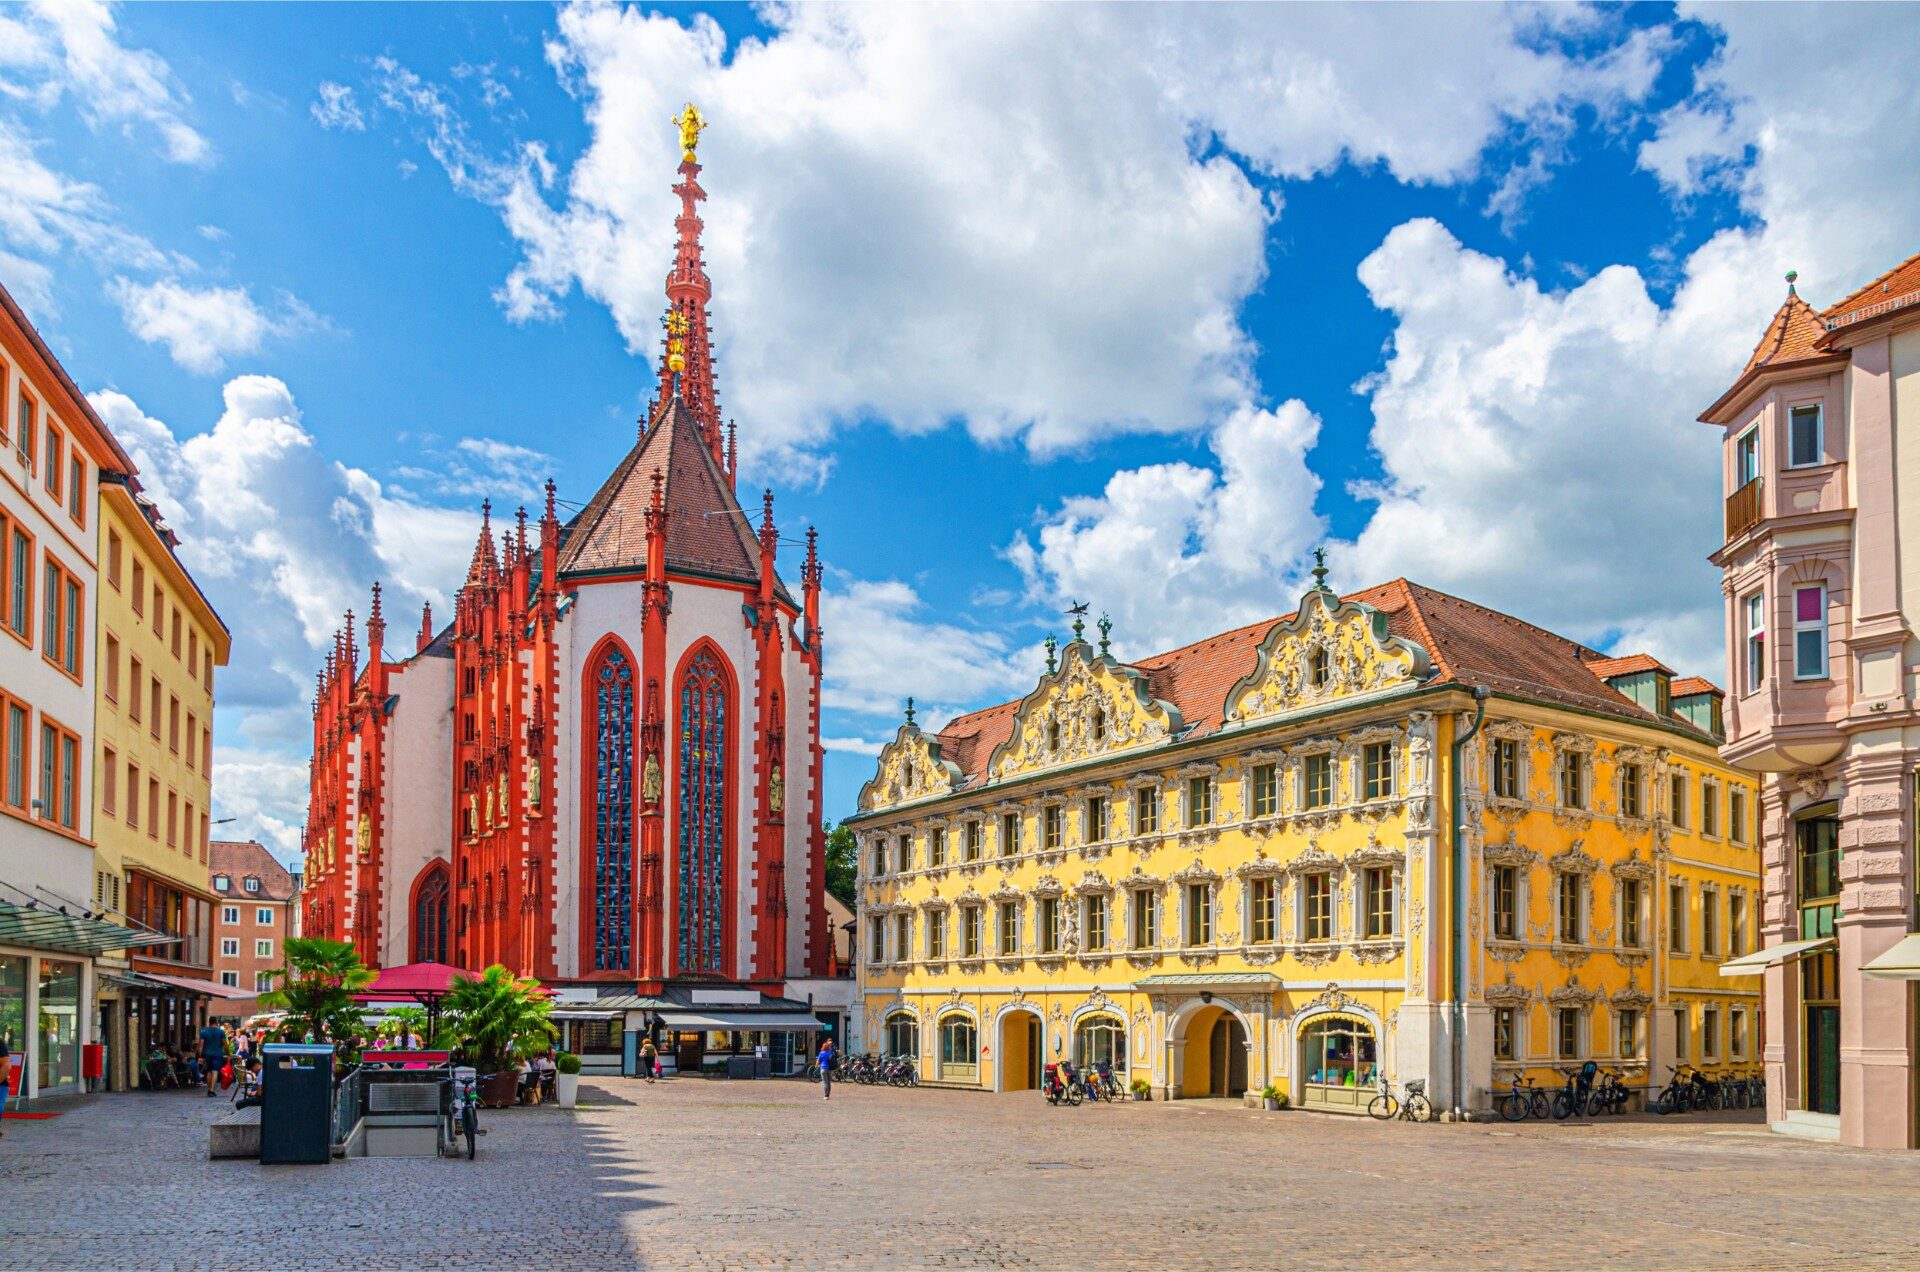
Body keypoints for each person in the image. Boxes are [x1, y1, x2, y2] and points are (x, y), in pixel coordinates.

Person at [198, 1021, 227, 1098]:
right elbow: (225, 1044)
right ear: (217, 1023)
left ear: (209, 1023)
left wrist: (199, 1055)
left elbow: (201, 1045)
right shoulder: (221, 1032)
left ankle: (209, 1089)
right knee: (215, 1071)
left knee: (209, 1071)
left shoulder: (204, 1032)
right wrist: (228, 1053)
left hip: (207, 1054)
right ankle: (212, 1090)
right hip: (217, 1054)